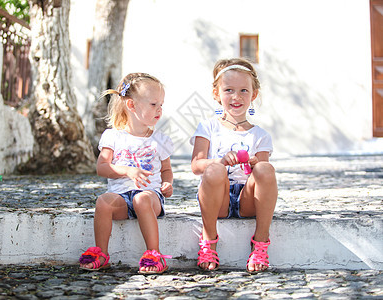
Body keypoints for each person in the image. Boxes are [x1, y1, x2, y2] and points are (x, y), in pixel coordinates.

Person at [79, 73, 174, 274]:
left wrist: (167, 184)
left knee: (141, 199)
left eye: (161, 105)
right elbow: (102, 167)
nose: (159, 110)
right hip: (121, 199)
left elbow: (166, 169)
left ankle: (154, 254)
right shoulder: (112, 136)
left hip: (151, 198)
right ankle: (101, 253)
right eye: (153, 104)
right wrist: (127, 171)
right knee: (104, 201)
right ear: (131, 105)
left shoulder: (159, 139)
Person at [190, 58, 278, 273]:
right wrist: (219, 161)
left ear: (253, 95)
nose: (236, 97)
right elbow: (196, 165)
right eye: (229, 90)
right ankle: (209, 239)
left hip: (248, 199)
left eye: (243, 91)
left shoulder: (260, 135)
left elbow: (262, 173)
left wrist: (255, 161)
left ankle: (260, 242)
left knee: (266, 168)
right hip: (217, 198)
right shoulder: (208, 127)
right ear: (216, 94)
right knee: (214, 169)